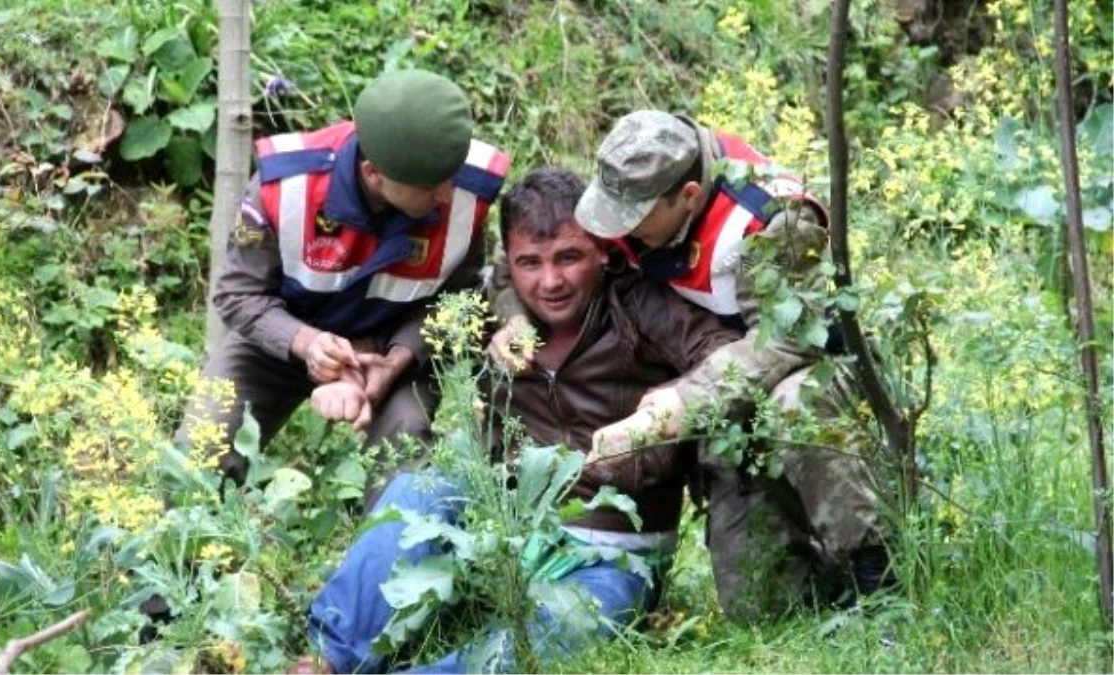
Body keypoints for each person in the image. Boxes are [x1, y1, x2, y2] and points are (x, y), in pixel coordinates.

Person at [292, 168, 739, 674]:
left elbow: (726, 354)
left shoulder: (640, 304)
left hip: (613, 553)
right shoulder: (491, 302)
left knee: (546, 638)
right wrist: (361, 371)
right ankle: (330, 656)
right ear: (509, 259)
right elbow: (416, 332)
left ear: (603, 249)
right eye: (530, 262)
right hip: (502, 526)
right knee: (416, 491)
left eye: (569, 257)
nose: (550, 282)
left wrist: (671, 401)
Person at [568, 110, 888, 619]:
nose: (617, 230)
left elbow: (788, 342)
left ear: (689, 196)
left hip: (821, 373)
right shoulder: (633, 195)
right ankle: (824, 580)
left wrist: (675, 406)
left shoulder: (775, 219)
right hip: (727, 387)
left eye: (632, 219)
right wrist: (512, 317)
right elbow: (541, 249)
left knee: (794, 403)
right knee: (757, 609)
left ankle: (879, 578)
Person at [178, 69, 509, 484]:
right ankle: (194, 548)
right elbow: (238, 294)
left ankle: (388, 548)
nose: (446, 196)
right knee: (198, 457)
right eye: (429, 188)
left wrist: (399, 358)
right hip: (282, 336)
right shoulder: (288, 186)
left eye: (450, 180)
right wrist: (308, 344)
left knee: (404, 458)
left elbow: (459, 298)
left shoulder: (463, 184)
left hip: (391, 345)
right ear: (373, 174)